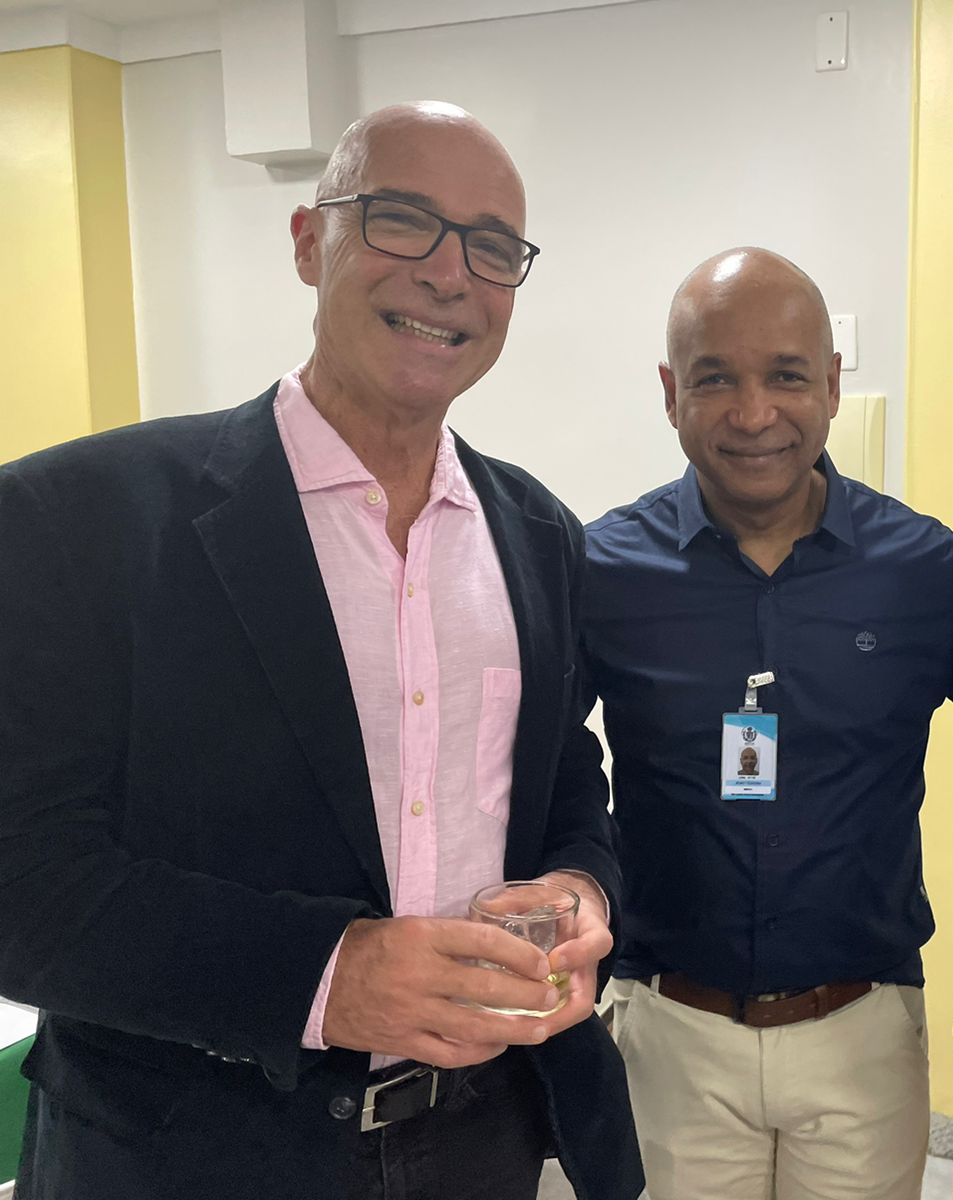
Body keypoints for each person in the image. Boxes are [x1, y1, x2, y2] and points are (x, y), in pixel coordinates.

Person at [0, 102, 642, 1200]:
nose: (450, 273)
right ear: (309, 241)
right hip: (192, 1154)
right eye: (403, 219)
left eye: (492, 247)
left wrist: (581, 885)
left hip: (481, 1139)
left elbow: (562, 776)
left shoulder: (539, 535)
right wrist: (326, 976)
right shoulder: (79, 520)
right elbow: (23, 877)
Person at [582, 247, 953, 1200]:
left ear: (832, 385)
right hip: (672, 1032)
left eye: (788, 377)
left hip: (861, 1037)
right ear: (671, 393)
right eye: (716, 379)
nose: (754, 414)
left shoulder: (921, 571)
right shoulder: (604, 571)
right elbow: (531, 766)